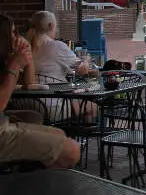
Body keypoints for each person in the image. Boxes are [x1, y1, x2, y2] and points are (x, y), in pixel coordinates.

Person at [0, 13, 81, 168]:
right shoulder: (57, 46)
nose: (15, 37)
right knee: (72, 150)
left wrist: (26, 52)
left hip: (10, 118)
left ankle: (31, 179)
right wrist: (15, 65)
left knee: (59, 134)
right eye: (12, 32)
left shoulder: (4, 60)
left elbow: (29, 83)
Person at [25, 11, 96, 122]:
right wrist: (86, 60)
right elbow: (83, 70)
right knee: (94, 107)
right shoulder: (56, 46)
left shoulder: (24, 46)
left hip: (24, 105)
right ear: (51, 26)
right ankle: (80, 137)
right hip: (51, 106)